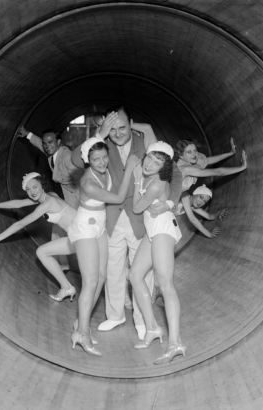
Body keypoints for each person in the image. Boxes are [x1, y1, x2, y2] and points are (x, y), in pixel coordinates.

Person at [71, 107, 183, 340]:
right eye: (113, 129)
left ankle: (143, 321)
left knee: (142, 271)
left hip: (140, 216)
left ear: (131, 124)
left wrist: (170, 203)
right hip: (111, 215)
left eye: (123, 127)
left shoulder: (147, 145)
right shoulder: (102, 145)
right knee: (113, 268)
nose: (118, 133)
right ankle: (115, 315)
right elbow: (75, 158)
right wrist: (100, 134)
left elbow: (176, 174)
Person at [69, 136, 139, 357]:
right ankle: (82, 334)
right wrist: (129, 169)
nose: (101, 162)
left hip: (99, 225)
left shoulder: (103, 171)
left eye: (103, 157)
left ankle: (81, 321)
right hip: (85, 229)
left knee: (101, 277)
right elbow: (118, 198)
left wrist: (102, 132)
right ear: (87, 161)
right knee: (89, 282)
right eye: (95, 159)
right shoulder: (88, 183)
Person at [129, 141, 186, 365]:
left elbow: (135, 208)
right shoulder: (149, 177)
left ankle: (175, 343)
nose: (151, 163)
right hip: (153, 229)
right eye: (150, 157)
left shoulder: (156, 182)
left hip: (162, 228)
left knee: (165, 284)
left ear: (165, 166)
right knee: (134, 275)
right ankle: (152, 328)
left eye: (158, 161)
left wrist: (135, 181)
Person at [0, 173, 77, 301]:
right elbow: (19, 203)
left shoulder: (47, 204)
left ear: (42, 184)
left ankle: (67, 287)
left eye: (34, 187)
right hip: (78, 235)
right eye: (28, 189)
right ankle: (67, 287)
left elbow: (21, 223)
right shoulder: (48, 195)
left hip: (83, 235)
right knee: (42, 252)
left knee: (42, 252)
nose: (32, 191)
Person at [18, 126, 83, 271]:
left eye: (50, 142)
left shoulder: (66, 157)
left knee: (77, 234)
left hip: (79, 200)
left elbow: (82, 179)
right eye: (46, 143)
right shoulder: (52, 152)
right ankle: (64, 264)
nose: (47, 146)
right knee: (57, 231)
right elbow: (40, 144)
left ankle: (81, 262)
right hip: (69, 196)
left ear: (59, 142)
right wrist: (27, 134)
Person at [175, 138, 247, 192]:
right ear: (180, 155)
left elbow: (208, 160)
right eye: (189, 152)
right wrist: (242, 167)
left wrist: (231, 153)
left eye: (195, 150)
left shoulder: (185, 160)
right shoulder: (185, 169)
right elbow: (217, 172)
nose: (194, 154)